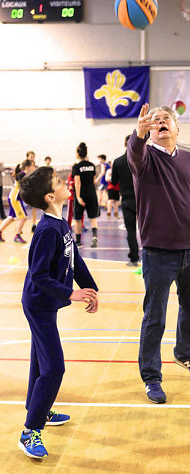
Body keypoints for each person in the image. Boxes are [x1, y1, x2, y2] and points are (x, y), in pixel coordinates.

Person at [127, 103, 190, 404]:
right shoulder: (144, 159)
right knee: (154, 317)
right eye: (156, 120)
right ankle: (151, 376)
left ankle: (185, 354)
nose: (161, 122)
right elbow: (134, 153)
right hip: (156, 253)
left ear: (177, 128)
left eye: (166, 119)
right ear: (151, 130)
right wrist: (138, 135)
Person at [18, 166, 98, 459]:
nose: (65, 182)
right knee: (54, 368)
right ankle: (30, 432)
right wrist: (72, 293)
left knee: (41, 363)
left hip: (46, 304)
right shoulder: (47, 230)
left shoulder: (60, 222)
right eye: (58, 181)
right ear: (50, 196)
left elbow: (74, 256)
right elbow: (38, 275)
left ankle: (39, 408)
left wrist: (90, 287)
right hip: (39, 305)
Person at [111, 134, 140, 266]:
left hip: (127, 200)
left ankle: (134, 258)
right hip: (143, 200)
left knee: (131, 230)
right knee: (147, 229)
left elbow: (114, 182)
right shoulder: (143, 160)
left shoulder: (118, 162)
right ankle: (150, 256)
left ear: (124, 144)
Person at [0, 159, 35, 243]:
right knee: (23, 217)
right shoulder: (21, 175)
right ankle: (17, 236)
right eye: (33, 165)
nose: (34, 167)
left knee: (11, 218)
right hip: (15, 198)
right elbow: (22, 185)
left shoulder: (25, 175)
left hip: (14, 197)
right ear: (27, 167)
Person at [72, 142, 99, 248]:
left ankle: (78, 242)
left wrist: (78, 197)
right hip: (92, 194)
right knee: (93, 218)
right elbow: (94, 182)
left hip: (81, 195)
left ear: (78, 153)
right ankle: (94, 237)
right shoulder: (92, 166)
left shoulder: (77, 166)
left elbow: (77, 182)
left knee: (77, 219)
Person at [26, 151, 38, 233]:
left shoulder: (35, 167)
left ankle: (34, 224)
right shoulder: (24, 167)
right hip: (25, 190)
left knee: (34, 207)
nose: (32, 158)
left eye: (33, 157)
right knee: (21, 210)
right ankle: (19, 227)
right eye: (31, 157)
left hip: (32, 190)